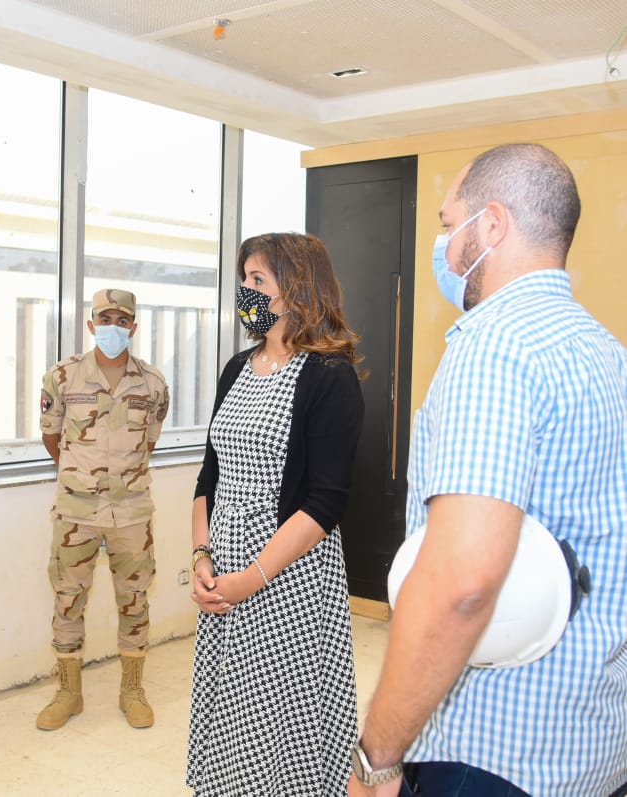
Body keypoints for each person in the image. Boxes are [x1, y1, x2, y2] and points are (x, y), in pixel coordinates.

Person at [348, 144, 627, 797]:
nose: (444, 248)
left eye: (449, 225)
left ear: (492, 224)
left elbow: (461, 585)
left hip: (493, 754)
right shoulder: (606, 350)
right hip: (592, 745)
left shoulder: (494, 348)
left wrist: (377, 758)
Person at [187, 232, 366, 796]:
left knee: (275, 719)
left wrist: (253, 577)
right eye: (244, 279)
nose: (245, 290)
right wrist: (201, 556)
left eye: (257, 280)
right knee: (230, 711)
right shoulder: (237, 367)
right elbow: (209, 475)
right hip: (226, 567)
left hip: (288, 573)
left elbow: (325, 501)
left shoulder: (328, 374)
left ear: (297, 287)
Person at [36, 288, 170, 730]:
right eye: (105, 319)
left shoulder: (153, 384)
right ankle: (68, 693)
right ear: (92, 325)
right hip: (76, 511)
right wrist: (82, 476)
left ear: (134, 327)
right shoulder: (62, 377)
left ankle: (132, 690)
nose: (114, 327)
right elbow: (52, 437)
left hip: (131, 512)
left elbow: (148, 443)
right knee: (67, 599)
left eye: (122, 320)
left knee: (134, 600)